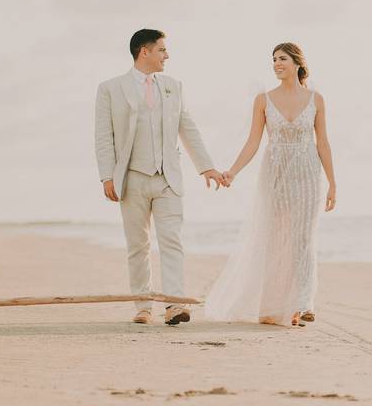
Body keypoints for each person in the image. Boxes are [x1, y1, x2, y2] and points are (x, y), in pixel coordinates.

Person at [94, 29, 226, 325]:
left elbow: (187, 127)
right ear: (145, 51)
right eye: (162, 50)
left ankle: (174, 304)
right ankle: (142, 306)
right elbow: (104, 136)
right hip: (131, 178)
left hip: (168, 178)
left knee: (172, 241)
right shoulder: (111, 89)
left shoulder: (173, 86)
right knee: (138, 245)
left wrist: (206, 167)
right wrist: (107, 176)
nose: (167, 55)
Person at [205, 42, 337, 326]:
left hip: (308, 174)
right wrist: (233, 171)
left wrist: (332, 183)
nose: (277, 64)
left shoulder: (317, 100)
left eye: (283, 59)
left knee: (303, 238)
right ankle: (275, 305)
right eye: (274, 59)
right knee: (276, 238)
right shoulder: (263, 100)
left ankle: (303, 303)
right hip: (275, 175)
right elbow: (253, 141)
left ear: (297, 63)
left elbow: (323, 143)